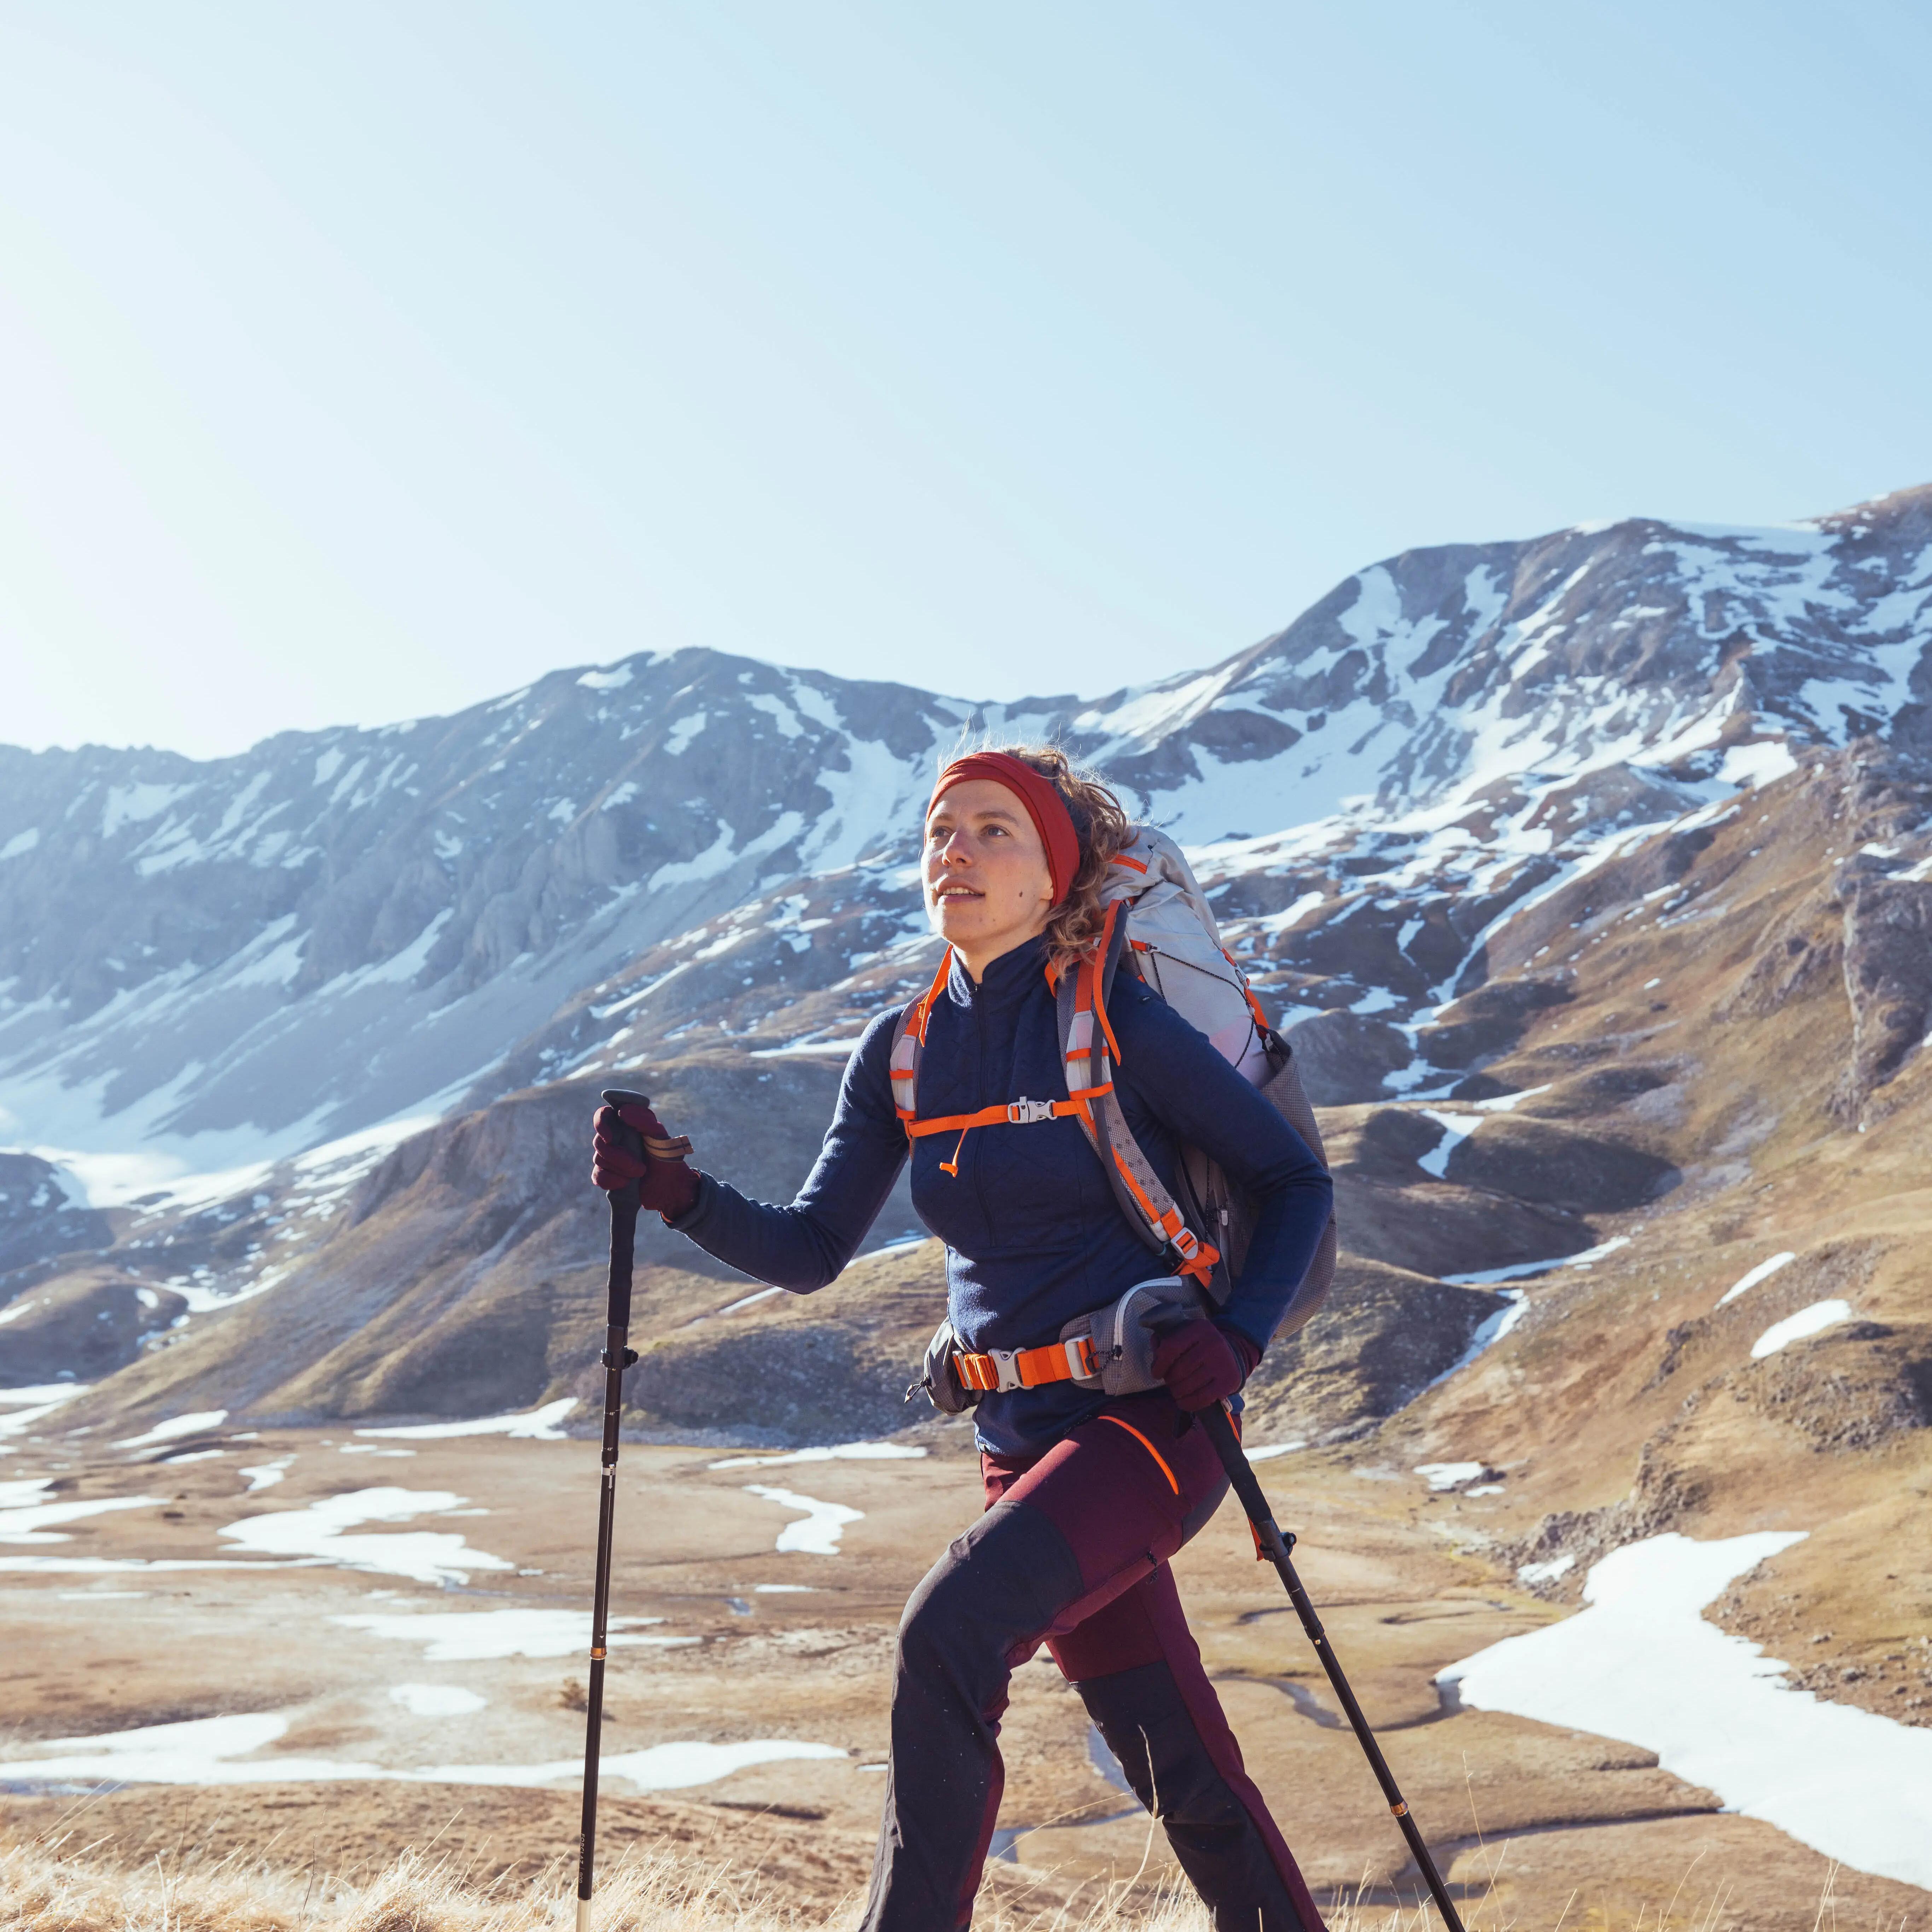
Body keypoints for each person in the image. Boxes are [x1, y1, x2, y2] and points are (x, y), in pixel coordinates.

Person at [591, 745, 1334, 1932]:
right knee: (1175, 1761)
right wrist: (678, 1194)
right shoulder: (902, 1047)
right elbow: (809, 1249)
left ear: (1056, 875)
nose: (959, 851)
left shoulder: (1114, 1021)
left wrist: (1238, 1342)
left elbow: (1294, 1182)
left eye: (996, 831)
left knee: (950, 1629)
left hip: (1153, 1425)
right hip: (1020, 1441)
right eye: (942, 831)